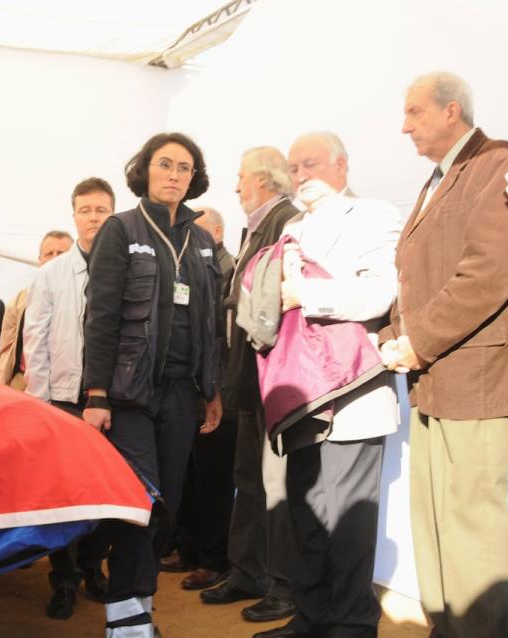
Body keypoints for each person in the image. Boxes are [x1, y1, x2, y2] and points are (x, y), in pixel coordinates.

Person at [378, 71, 508, 637]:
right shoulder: (438, 179)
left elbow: (491, 270)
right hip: (435, 379)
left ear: (452, 111)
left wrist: (417, 340)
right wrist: (393, 334)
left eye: (414, 112)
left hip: (478, 380)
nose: (404, 126)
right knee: (433, 528)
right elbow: (413, 275)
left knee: (472, 531)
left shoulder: (498, 162)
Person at [254, 133, 401, 638]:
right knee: (307, 512)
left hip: (353, 391)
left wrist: (305, 293)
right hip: (300, 393)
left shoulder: (376, 215)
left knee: (349, 522)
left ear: (342, 163)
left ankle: (352, 623)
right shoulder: (291, 227)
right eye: (293, 168)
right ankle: (313, 616)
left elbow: (380, 293)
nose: (300, 176)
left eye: (310, 164)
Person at [82, 132, 222, 637]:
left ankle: (137, 605)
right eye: (165, 164)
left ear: (194, 178)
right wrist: (96, 393)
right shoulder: (120, 231)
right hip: (129, 396)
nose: (174, 175)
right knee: (143, 502)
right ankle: (126, 619)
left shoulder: (203, 241)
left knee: (169, 508)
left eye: (184, 168)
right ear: (145, 169)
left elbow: (209, 327)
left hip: (184, 395)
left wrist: (213, 390)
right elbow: (99, 317)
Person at [200, 146, 301, 624]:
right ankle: (247, 572)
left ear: (261, 178)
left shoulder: (286, 220)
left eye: (241, 176)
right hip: (247, 378)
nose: (236, 185)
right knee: (249, 480)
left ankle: (282, 585)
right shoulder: (260, 225)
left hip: (271, 379)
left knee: (275, 485)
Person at [23, 177, 115, 619]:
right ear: (73, 214)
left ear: (113, 213)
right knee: (62, 498)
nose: (94, 217)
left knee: (106, 493)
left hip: (115, 402)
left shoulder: (128, 268)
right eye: (86, 209)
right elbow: (35, 337)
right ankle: (64, 580)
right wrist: (39, 402)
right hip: (62, 400)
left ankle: (94, 566)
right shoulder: (51, 275)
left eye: (101, 209)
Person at [162, 205, 237, 592]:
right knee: (189, 476)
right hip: (190, 390)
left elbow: (221, 338)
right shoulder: (191, 268)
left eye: (198, 230)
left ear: (218, 232)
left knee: (213, 481)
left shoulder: (228, 268)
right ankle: (189, 549)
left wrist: (216, 389)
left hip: (217, 391)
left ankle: (214, 559)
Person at [0, 230, 72, 389]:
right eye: (49, 254)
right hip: (23, 381)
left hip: (66, 384)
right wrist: (3, 382)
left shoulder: (86, 296)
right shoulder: (20, 300)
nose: (54, 258)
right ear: (40, 260)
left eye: (61, 253)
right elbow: (6, 348)